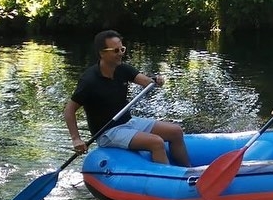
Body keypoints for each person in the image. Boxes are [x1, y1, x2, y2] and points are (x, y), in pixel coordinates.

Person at [64, 30, 191, 166]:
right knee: (156, 142)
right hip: (107, 132)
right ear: (102, 53)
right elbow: (69, 110)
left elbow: (147, 81)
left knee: (176, 131)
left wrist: (156, 80)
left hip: (128, 122)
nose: (120, 54)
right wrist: (76, 139)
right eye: (116, 50)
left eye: (122, 49)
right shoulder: (89, 80)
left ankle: (188, 170)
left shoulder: (122, 69)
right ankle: (169, 181)